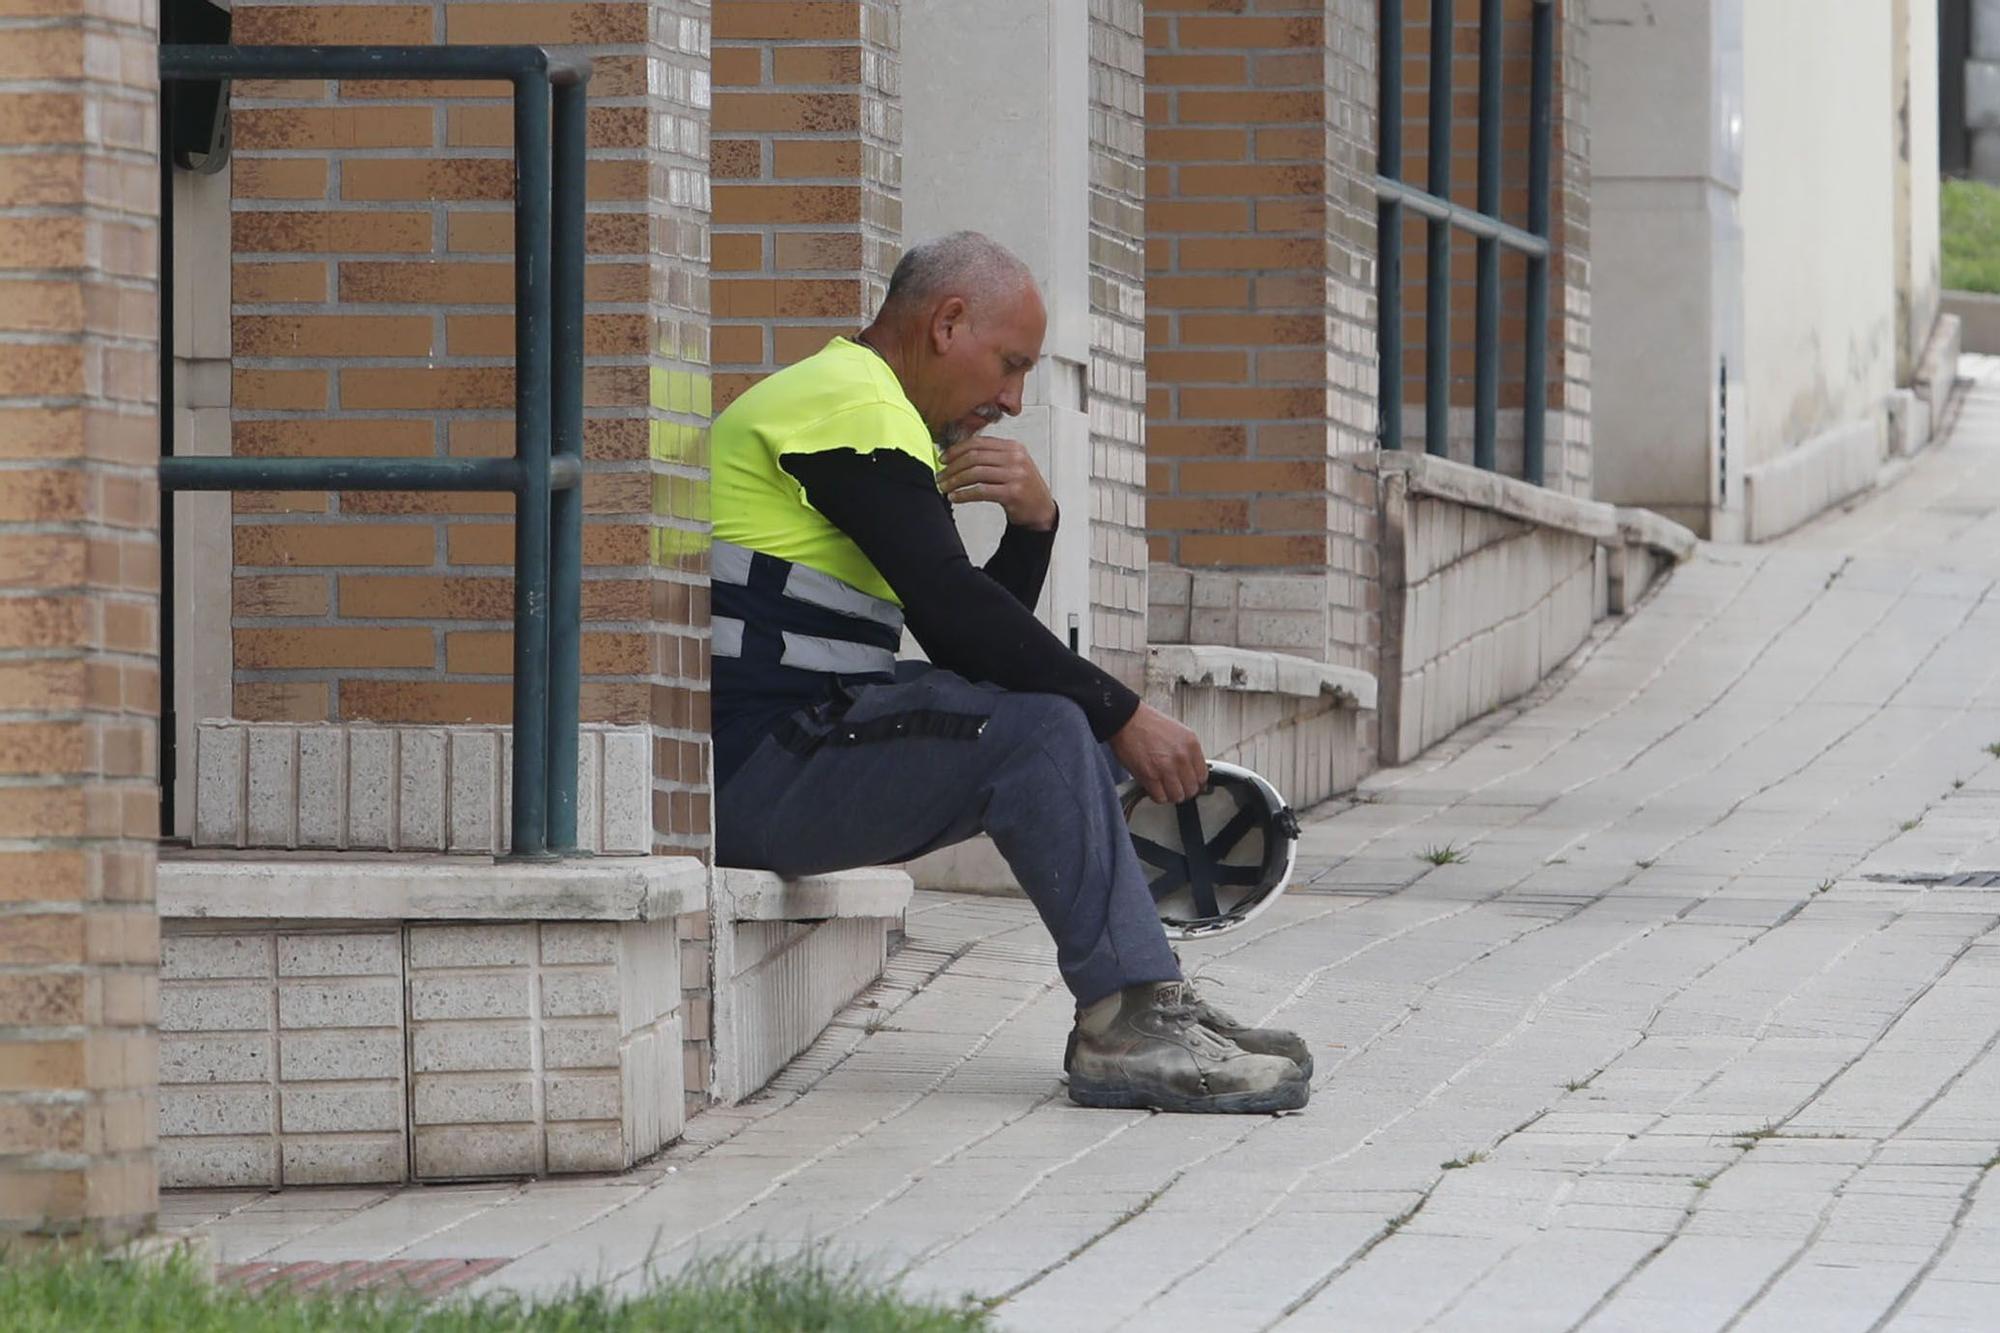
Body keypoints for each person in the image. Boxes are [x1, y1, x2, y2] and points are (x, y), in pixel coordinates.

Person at [710, 231, 1309, 1114]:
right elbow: (956, 616)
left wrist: (1036, 528)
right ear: (948, 323)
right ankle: (1127, 1019)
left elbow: (968, 642)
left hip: (791, 754)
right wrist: (1121, 712)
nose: (1014, 399)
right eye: (1010, 365)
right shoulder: (846, 404)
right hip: (753, 773)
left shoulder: (869, 413)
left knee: (1044, 723)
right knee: (1047, 731)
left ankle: (1144, 996)